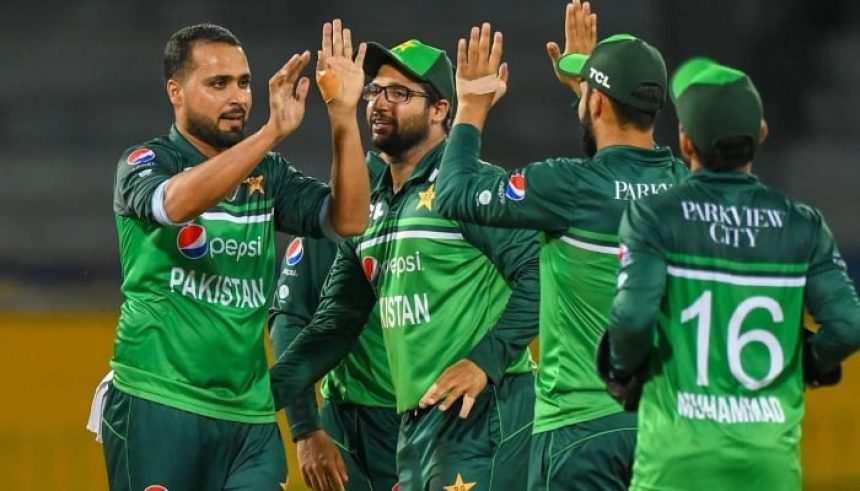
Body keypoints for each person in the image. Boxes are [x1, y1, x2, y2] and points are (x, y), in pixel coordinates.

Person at [95, 20, 370, 490]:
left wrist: (343, 117)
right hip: (158, 402)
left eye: (244, 83)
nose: (238, 97)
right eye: (218, 84)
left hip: (248, 416)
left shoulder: (269, 175)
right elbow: (174, 204)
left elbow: (348, 220)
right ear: (175, 91)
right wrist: (268, 134)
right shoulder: (144, 161)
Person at [433, 6, 688, 490]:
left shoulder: (565, 187)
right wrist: (591, 87)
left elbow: (454, 193)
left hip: (579, 431)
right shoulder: (683, 185)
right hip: (667, 429)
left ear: (596, 105)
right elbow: (620, 165)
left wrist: (470, 105)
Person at [269, 38, 540, 491]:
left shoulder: (475, 187)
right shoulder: (370, 207)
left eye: (400, 94)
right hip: (417, 426)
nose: (378, 103)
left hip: (483, 412)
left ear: (440, 111)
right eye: (375, 91)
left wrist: (484, 361)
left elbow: (540, 273)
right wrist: (249, 401)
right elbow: (334, 325)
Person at [599, 57, 860, 491]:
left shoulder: (654, 217)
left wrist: (622, 372)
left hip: (676, 463)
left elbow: (631, 320)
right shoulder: (802, 225)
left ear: (685, 142)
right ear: (761, 135)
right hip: (768, 465)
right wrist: (808, 364)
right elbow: (848, 326)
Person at [270, 159, 398, 491]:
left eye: (403, 101)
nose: (382, 107)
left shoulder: (462, 198)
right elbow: (291, 316)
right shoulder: (347, 209)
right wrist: (306, 428)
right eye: (373, 101)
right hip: (354, 427)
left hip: (451, 416)